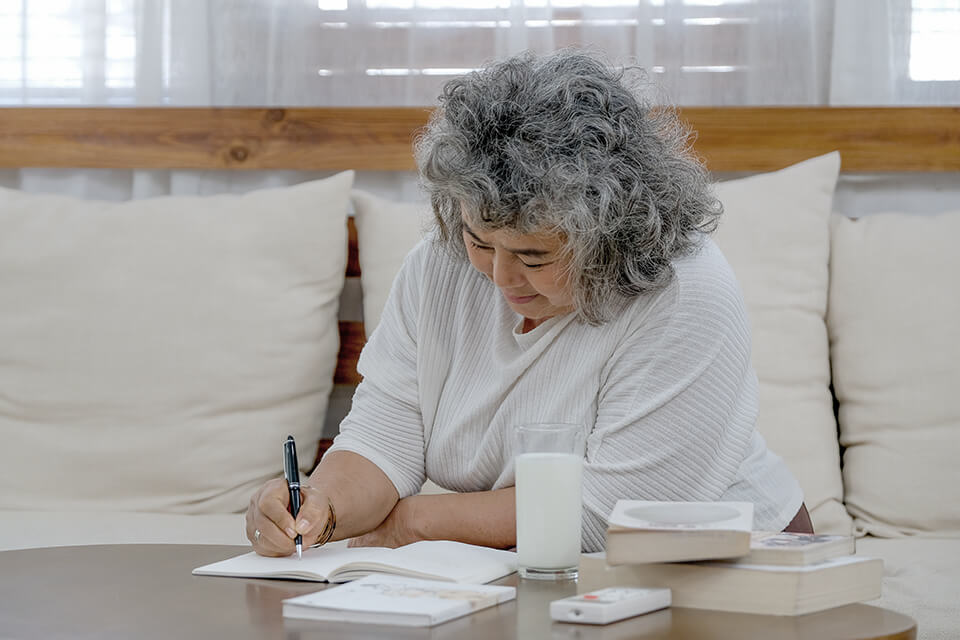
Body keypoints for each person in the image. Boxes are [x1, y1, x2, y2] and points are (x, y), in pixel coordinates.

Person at [246, 48, 812, 557]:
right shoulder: (438, 264)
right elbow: (385, 435)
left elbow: (603, 515)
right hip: (528, 559)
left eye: (535, 257)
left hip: (728, 557)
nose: (499, 275)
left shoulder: (685, 294)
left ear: (610, 235)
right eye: (479, 242)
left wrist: (409, 523)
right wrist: (323, 509)